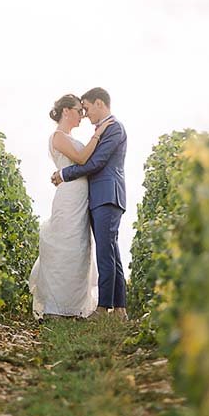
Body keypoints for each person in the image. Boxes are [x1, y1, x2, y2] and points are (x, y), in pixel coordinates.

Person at [28, 94, 113, 318]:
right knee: (64, 245)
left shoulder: (67, 136)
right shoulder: (58, 136)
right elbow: (82, 158)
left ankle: (74, 307)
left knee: (79, 248)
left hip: (81, 198)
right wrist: (98, 134)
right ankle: (56, 307)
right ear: (66, 111)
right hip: (68, 197)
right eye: (79, 111)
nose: (82, 116)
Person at [50, 87, 128, 318]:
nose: (85, 114)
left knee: (106, 249)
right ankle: (120, 309)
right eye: (80, 109)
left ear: (99, 104)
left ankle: (104, 307)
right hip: (98, 196)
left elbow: (96, 163)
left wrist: (64, 174)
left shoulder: (114, 128)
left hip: (107, 194)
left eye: (86, 108)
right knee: (110, 248)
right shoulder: (102, 130)